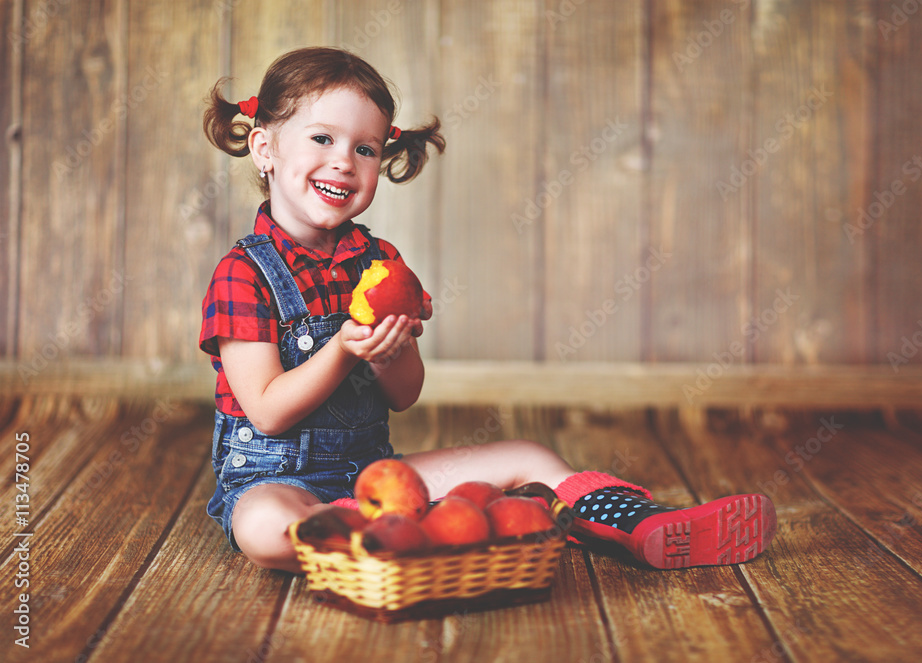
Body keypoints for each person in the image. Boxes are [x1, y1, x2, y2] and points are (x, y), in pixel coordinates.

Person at [200, 47, 777, 574]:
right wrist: (345, 347)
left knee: (527, 453)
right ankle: (407, 533)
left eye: (365, 148)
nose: (345, 162)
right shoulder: (243, 275)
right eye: (322, 139)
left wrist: (387, 349)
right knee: (262, 527)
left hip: (374, 479)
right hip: (275, 479)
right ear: (265, 148)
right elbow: (270, 413)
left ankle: (632, 521)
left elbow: (404, 394)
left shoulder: (379, 263)